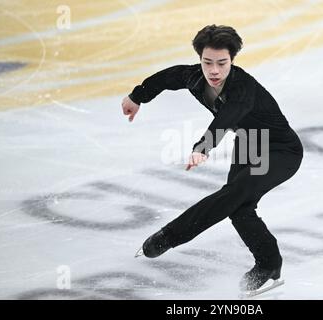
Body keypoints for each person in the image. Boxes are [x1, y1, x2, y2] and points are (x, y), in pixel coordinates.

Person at [121, 25, 303, 292]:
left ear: (232, 60)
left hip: (279, 149)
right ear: (200, 60)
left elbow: (227, 116)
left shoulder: (243, 88)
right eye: (207, 62)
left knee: (233, 194)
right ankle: (269, 265)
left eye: (222, 63)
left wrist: (202, 148)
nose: (214, 71)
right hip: (250, 142)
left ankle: (168, 237)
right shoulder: (194, 77)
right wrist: (137, 96)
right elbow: (167, 78)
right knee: (239, 208)